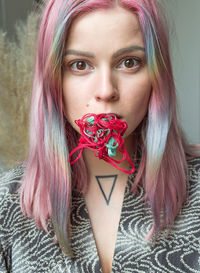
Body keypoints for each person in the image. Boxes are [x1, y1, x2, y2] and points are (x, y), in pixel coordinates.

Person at [0, 0, 200, 272]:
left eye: (129, 62)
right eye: (80, 65)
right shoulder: (6, 201)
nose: (106, 91)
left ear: (157, 76)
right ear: (52, 80)